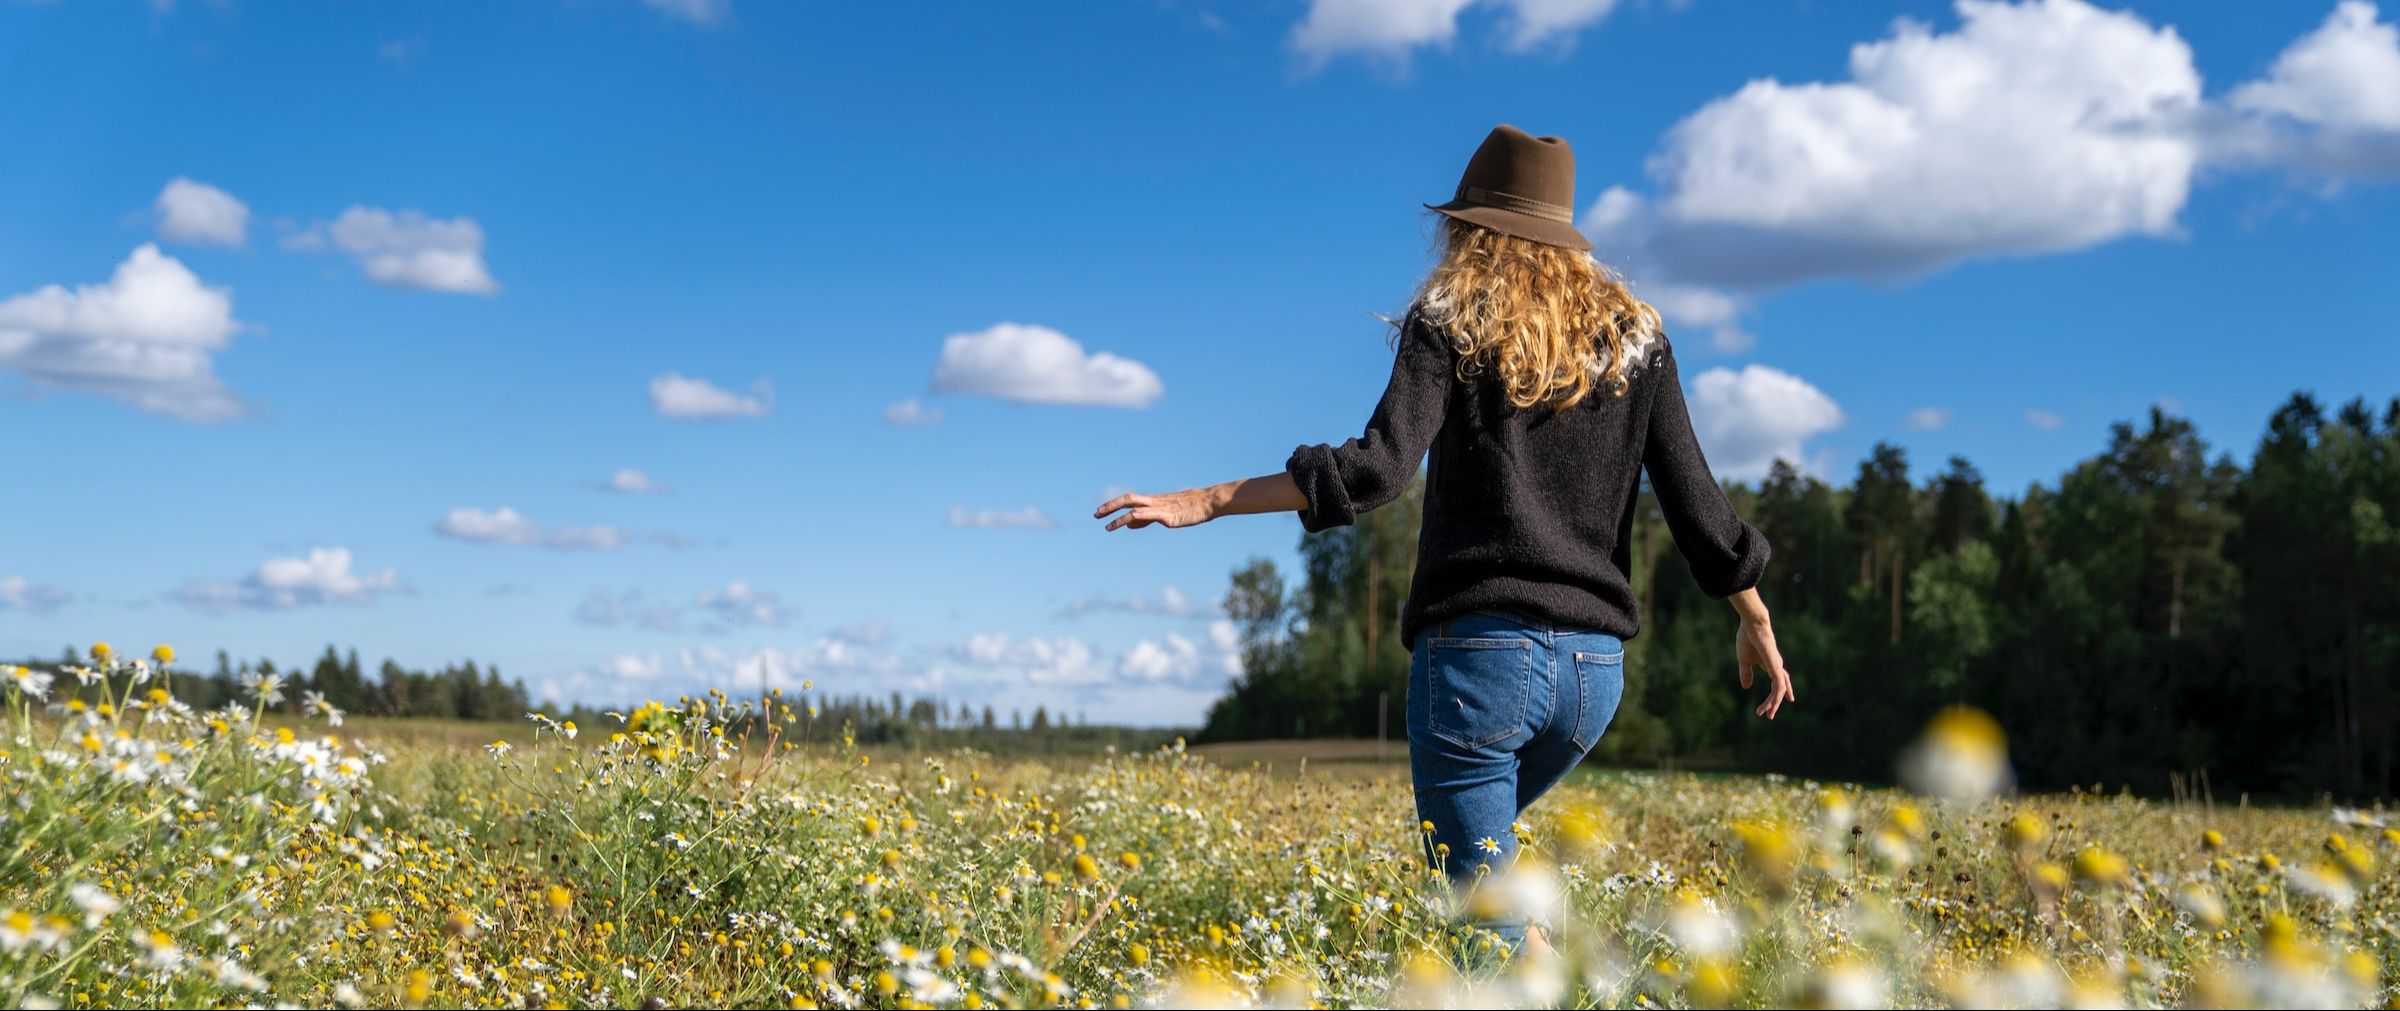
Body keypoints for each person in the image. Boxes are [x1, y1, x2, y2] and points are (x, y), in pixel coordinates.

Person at [1093, 124, 1795, 954]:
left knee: (1484, 922)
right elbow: (1695, 501)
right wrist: (1752, 611)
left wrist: (1205, 500)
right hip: (1591, 680)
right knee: (1489, 892)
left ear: (1472, 225)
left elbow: (1379, 469)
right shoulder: (1636, 339)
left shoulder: (1453, 316)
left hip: (1479, 668)